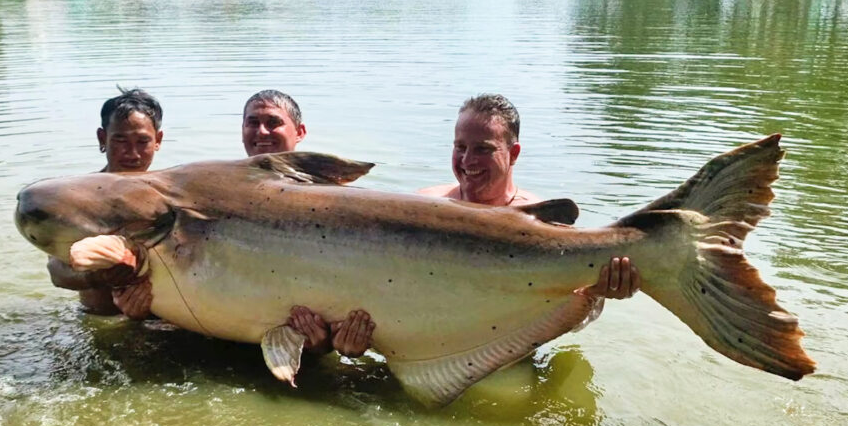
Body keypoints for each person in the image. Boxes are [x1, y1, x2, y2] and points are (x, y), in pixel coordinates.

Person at [418, 93, 641, 316]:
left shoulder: (544, 225)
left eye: (483, 149)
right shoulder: (425, 207)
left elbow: (579, 319)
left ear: (513, 154)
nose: (467, 160)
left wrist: (598, 293)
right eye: (460, 147)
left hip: (514, 345)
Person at [240, 90, 376, 358]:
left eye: (273, 122)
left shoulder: (334, 203)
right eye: (253, 122)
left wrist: (328, 344)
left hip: (304, 362)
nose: (262, 132)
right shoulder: (220, 192)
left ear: (300, 132)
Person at [45, 88, 163, 318]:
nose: (132, 153)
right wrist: (101, 276)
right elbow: (56, 271)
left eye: (142, 141)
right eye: (120, 140)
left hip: (154, 319)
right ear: (102, 138)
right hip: (102, 320)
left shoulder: (167, 198)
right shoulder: (79, 199)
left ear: (158, 141)